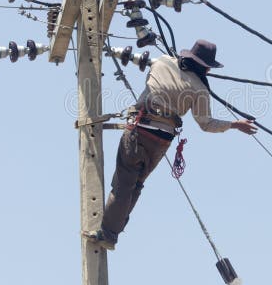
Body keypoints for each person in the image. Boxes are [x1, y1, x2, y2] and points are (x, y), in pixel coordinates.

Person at [89, 39, 257, 250]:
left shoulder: (162, 62)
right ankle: (113, 230)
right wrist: (234, 125)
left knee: (124, 183)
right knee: (136, 185)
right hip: (161, 141)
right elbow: (206, 124)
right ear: (206, 67)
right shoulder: (200, 90)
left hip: (141, 128)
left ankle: (108, 234)